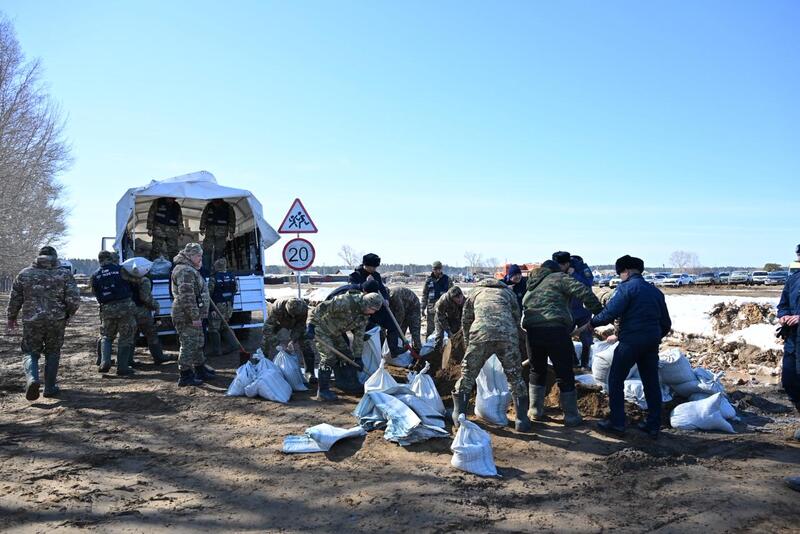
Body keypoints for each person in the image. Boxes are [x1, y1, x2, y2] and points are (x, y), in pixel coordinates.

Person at [591, 255, 672, 438]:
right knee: (651, 382)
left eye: (620, 273)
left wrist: (592, 323)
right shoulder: (655, 292)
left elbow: (610, 312)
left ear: (626, 271)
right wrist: (654, 336)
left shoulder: (626, 288)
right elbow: (666, 323)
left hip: (630, 342)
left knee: (615, 379)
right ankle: (653, 425)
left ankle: (617, 422)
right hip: (651, 342)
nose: (620, 277)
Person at [522, 251, 603, 426]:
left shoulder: (532, 285)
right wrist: (599, 311)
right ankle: (572, 416)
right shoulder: (559, 277)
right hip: (556, 330)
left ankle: (535, 411)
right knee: (564, 372)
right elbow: (583, 291)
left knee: (537, 370)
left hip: (532, 331)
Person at [452, 279, 531, 432]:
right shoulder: (508, 292)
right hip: (506, 335)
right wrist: (514, 338)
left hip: (481, 334)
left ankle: (458, 415)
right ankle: (521, 420)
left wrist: (469, 344)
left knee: (468, 375)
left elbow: (466, 321)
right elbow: (516, 317)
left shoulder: (475, 292)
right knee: (515, 377)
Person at [7, 246, 80, 400]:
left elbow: (15, 298)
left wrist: (11, 317)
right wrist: (68, 314)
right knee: (53, 352)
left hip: (31, 320)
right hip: (56, 320)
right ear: (55, 257)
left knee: (30, 351)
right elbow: (74, 300)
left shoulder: (24, 274)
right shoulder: (64, 274)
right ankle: (50, 387)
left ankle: (32, 379)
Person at [306, 292, 384, 401]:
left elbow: (359, 337)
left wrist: (358, 357)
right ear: (366, 304)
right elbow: (320, 308)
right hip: (321, 328)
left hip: (335, 332)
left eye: (375, 310)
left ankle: (346, 383)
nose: (373, 313)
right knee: (329, 357)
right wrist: (311, 325)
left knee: (346, 355)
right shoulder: (346, 301)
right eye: (372, 309)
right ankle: (323, 391)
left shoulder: (364, 316)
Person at [171, 243, 213, 387]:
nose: (201, 258)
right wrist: (195, 317)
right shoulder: (185, 271)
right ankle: (185, 375)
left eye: (201, 255)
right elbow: (187, 296)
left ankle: (200, 369)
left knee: (198, 342)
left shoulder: (190, 269)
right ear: (189, 256)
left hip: (193, 314)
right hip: (186, 315)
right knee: (189, 344)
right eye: (198, 256)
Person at [121, 257, 174, 365]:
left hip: (129, 310)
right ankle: (159, 356)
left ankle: (127, 360)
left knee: (132, 335)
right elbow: (145, 297)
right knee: (151, 333)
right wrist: (156, 305)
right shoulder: (144, 280)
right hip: (142, 311)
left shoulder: (125, 278)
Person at [347, 253, 404, 356]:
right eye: (372, 267)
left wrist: (386, 299)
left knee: (392, 324)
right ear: (366, 265)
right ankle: (371, 354)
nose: (374, 269)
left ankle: (393, 349)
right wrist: (366, 283)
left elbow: (381, 288)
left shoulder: (376, 275)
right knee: (374, 332)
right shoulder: (355, 276)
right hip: (362, 310)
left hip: (377, 308)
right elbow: (352, 291)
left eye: (375, 267)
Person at [92, 251, 138, 376]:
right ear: (110, 259)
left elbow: (96, 293)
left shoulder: (95, 275)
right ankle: (122, 367)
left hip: (107, 309)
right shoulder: (120, 270)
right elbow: (135, 281)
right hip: (125, 307)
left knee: (106, 336)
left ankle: (105, 361)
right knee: (125, 336)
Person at [779, 245, 800, 491]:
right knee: (791, 381)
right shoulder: (794, 280)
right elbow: (783, 304)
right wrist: (784, 316)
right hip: (793, 341)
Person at [262, 297, 317, 384]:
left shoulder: (303, 308)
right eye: (291, 314)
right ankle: (260, 366)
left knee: (306, 344)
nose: (293, 316)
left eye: (295, 315)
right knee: (266, 341)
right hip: (278, 322)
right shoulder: (277, 308)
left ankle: (310, 373)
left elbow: (300, 326)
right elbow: (267, 329)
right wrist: (278, 344)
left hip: (296, 324)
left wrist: (293, 340)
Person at [207, 257, 239, 359]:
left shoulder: (213, 278)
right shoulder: (232, 276)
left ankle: (216, 350)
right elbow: (235, 289)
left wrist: (212, 309)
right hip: (228, 305)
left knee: (214, 328)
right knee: (225, 325)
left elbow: (209, 294)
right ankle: (234, 345)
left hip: (217, 305)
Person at [569, 255, 595, 369]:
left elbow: (587, 283)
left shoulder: (583, 269)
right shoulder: (563, 269)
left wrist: (574, 274)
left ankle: (584, 364)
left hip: (583, 310)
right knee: (565, 336)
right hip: (569, 309)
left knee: (586, 338)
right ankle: (574, 361)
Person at [432, 286, 466, 369]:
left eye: (460, 297)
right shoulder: (443, 302)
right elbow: (441, 318)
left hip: (454, 317)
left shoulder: (465, 301)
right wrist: (448, 331)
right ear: (452, 298)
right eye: (457, 298)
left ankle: (456, 356)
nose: (459, 300)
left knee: (457, 336)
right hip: (441, 317)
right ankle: (437, 357)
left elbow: (465, 316)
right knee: (439, 336)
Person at [199, 198, 236, 270]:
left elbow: (232, 219)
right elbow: (204, 216)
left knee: (219, 251)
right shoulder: (209, 206)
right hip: (210, 232)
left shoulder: (228, 207)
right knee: (207, 250)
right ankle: (206, 270)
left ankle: (217, 270)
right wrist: (202, 228)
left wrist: (231, 232)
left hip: (222, 233)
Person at [422, 261, 453, 337]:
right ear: (433, 269)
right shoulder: (428, 280)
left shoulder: (447, 279)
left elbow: (452, 294)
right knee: (430, 330)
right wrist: (422, 308)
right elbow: (424, 294)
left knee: (444, 328)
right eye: (435, 269)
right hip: (431, 309)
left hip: (444, 309)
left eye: (438, 269)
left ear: (441, 269)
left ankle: (444, 347)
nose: (437, 271)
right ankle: (429, 347)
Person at [388, 286, 422, 353]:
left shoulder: (393, 296)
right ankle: (402, 352)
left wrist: (394, 330)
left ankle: (417, 354)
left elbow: (400, 314)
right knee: (401, 334)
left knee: (415, 332)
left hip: (413, 308)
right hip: (404, 308)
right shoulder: (385, 299)